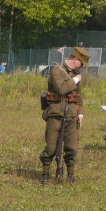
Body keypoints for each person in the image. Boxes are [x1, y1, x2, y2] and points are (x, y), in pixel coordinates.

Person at [39, 46, 89, 184]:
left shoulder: (75, 74)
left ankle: (71, 174)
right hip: (56, 115)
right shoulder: (56, 72)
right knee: (51, 148)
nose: (83, 67)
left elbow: (79, 97)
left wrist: (81, 115)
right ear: (75, 59)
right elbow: (61, 90)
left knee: (71, 148)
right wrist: (76, 80)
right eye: (82, 63)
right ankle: (45, 173)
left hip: (72, 116)